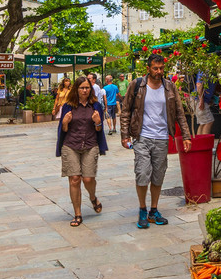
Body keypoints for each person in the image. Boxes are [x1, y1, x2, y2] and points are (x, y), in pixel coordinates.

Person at [120, 53, 192, 230]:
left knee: (158, 176)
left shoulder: (169, 87)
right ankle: (142, 209)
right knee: (143, 173)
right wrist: (124, 135)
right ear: (148, 69)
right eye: (155, 68)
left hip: (161, 138)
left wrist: (186, 136)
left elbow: (180, 113)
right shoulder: (137, 85)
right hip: (142, 136)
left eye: (161, 68)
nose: (159, 71)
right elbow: (126, 110)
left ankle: (153, 210)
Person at [56, 77, 107, 226]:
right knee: (75, 179)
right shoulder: (68, 106)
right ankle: (77, 214)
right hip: (70, 145)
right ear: (76, 89)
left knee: (88, 179)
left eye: (87, 88)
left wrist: (97, 121)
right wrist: (65, 122)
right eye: (82, 88)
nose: (85, 90)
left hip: (90, 145)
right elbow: (63, 129)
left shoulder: (95, 106)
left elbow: (99, 129)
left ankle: (92, 197)